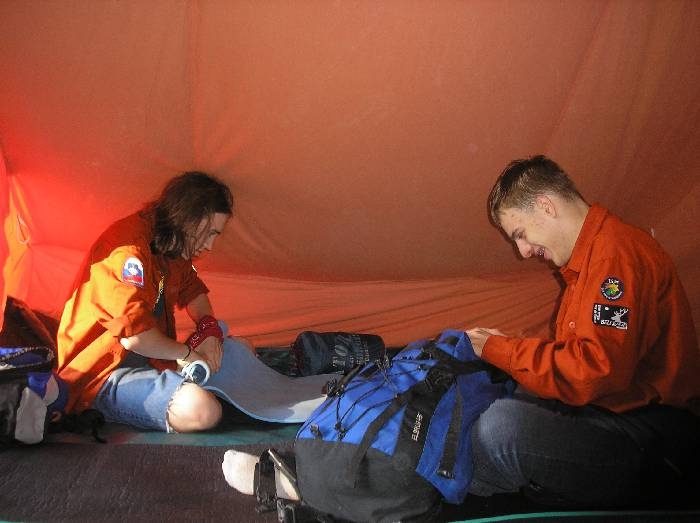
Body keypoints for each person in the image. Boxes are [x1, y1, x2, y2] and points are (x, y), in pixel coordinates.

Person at [464, 155, 700, 508]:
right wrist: (507, 350)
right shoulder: (587, 262)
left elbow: (593, 372)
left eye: (520, 235)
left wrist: (499, 349)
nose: (523, 252)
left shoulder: (614, 259)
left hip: (652, 436)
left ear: (546, 207)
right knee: (507, 396)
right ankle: (474, 479)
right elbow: (576, 358)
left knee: (500, 428)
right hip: (609, 411)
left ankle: (457, 496)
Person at [57, 171, 239, 433]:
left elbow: (195, 292)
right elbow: (136, 338)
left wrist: (209, 329)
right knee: (201, 410)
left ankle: (176, 382)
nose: (210, 245)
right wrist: (187, 354)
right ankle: (102, 406)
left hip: (155, 360)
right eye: (209, 233)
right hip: (102, 373)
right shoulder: (127, 250)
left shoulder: (172, 243)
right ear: (189, 219)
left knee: (238, 348)